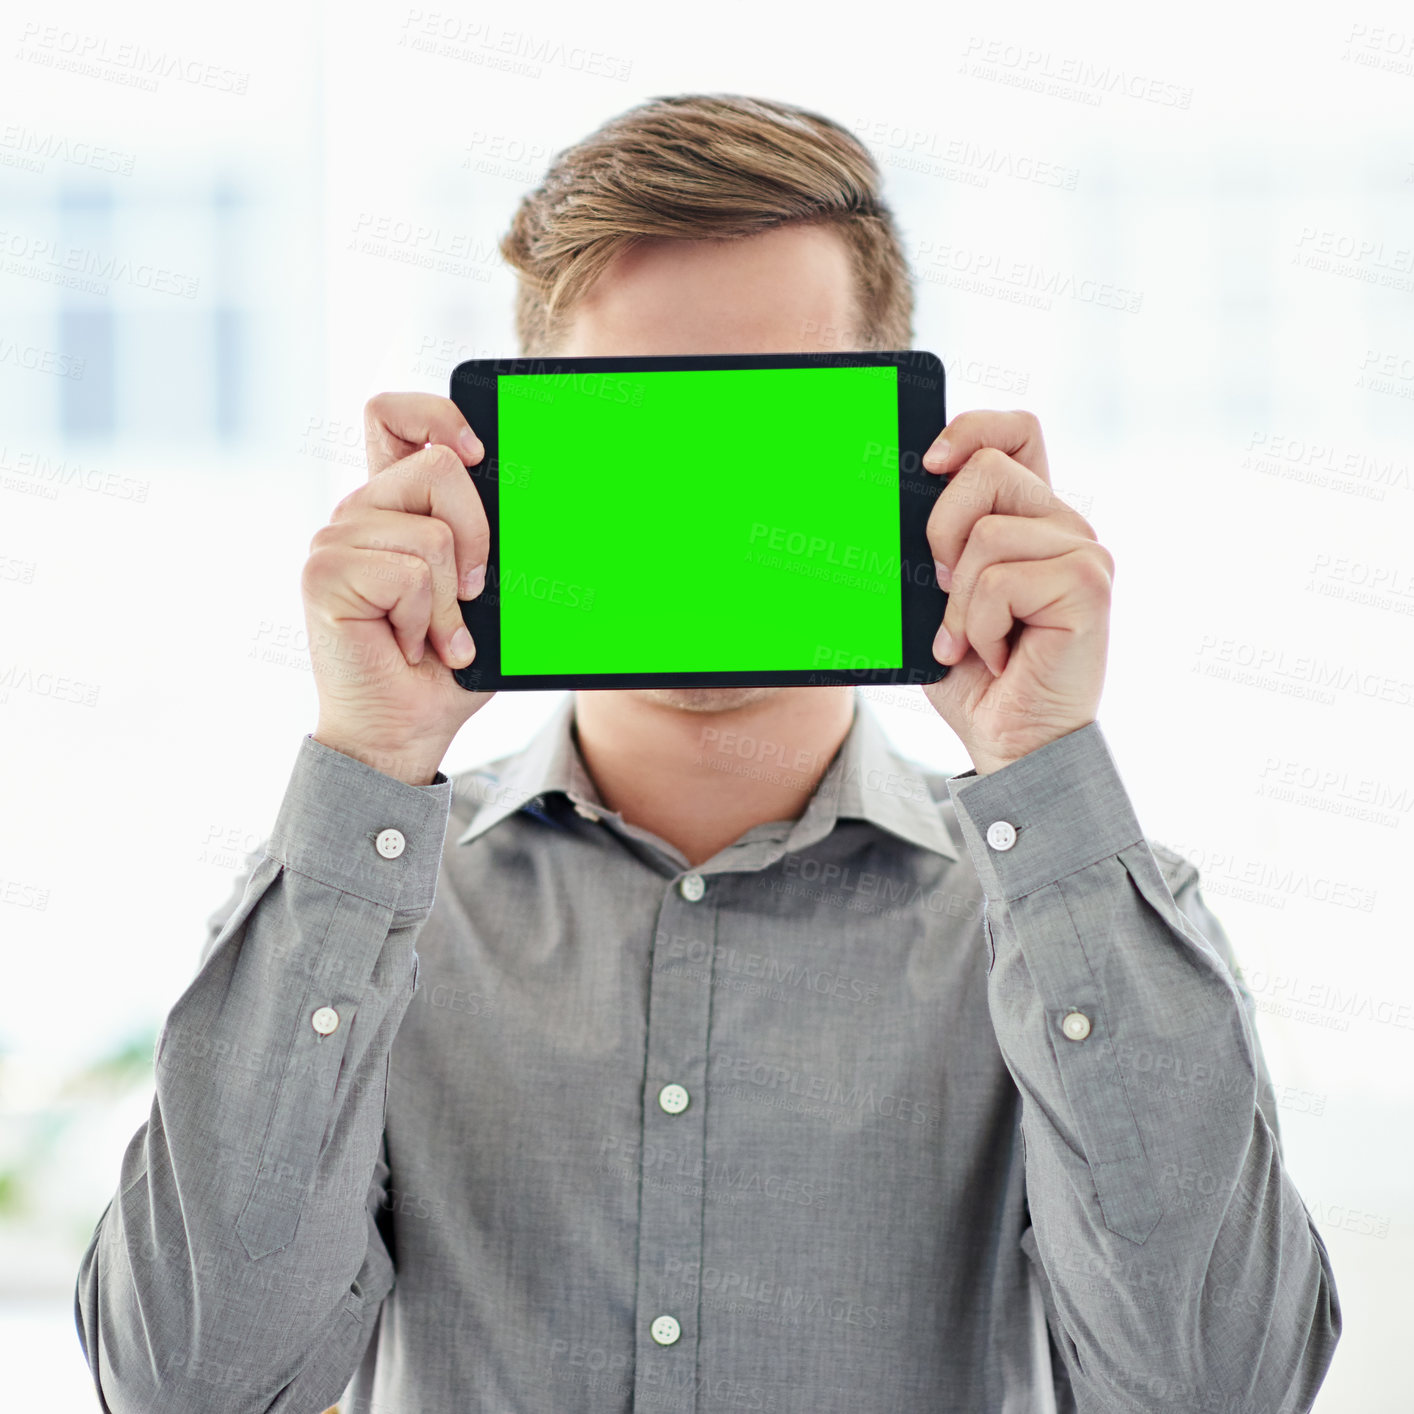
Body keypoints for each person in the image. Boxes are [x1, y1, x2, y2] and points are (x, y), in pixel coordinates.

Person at [75, 93, 1339, 1414]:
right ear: (511, 469)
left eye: (772, 434)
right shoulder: (364, 910)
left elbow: (1217, 1389)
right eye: (643, 439)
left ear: (899, 462)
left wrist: (1042, 761)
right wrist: (367, 760)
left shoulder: (1065, 911)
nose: (713, 511)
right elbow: (187, 1383)